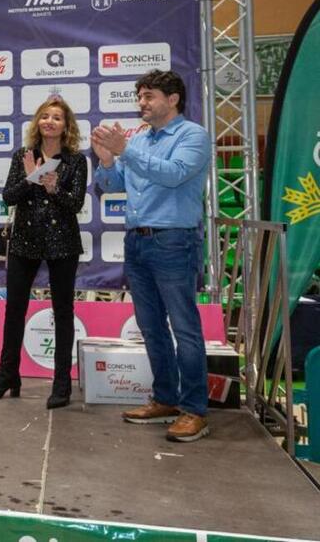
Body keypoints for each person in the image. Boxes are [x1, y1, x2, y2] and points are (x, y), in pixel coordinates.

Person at [92, 69, 212, 442]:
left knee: (185, 327)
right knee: (151, 327)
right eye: (139, 97)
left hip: (174, 240)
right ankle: (165, 399)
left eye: (149, 96)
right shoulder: (140, 137)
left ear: (172, 99)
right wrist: (107, 161)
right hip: (138, 241)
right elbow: (112, 186)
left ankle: (194, 410)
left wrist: (125, 151)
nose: (141, 103)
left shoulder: (193, 135)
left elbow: (174, 175)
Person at [0, 97, 87, 409]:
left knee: (63, 312)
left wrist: (54, 187)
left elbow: (76, 203)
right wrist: (31, 178)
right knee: (14, 309)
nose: (49, 121)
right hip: (25, 241)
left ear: (66, 126)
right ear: (37, 122)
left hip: (62, 242)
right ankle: (6, 377)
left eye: (56, 118)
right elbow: (8, 196)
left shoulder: (76, 161)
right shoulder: (23, 156)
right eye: (45, 116)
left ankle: (62, 384)